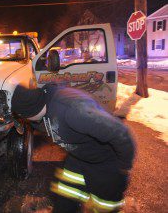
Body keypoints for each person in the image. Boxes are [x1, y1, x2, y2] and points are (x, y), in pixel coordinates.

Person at [11, 84, 135, 213]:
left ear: (30, 113)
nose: (25, 121)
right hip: (78, 160)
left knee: (103, 208)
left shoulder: (74, 112)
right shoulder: (42, 104)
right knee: (65, 199)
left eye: (24, 118)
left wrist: (124, 166)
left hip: (107, 165)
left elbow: (121, 133)